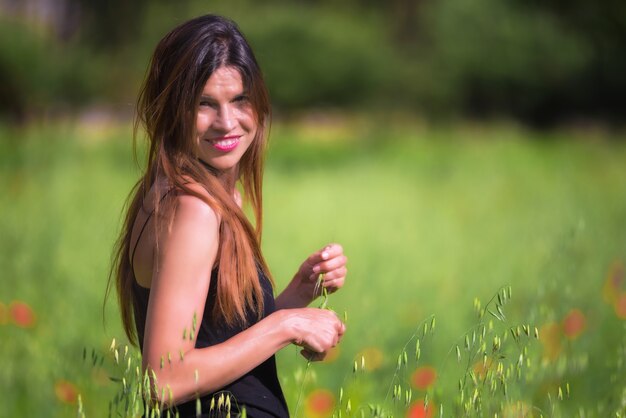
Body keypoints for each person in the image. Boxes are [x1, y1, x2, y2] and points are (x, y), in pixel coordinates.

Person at [108, 14, 348, 418]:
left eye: (239, 100)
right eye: (205, 104)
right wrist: (285, 326)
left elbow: (214, 338)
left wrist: (296, 299)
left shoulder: (192, 194)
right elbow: (163, 380)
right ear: (173, 109)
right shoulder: (192, 208)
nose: (226, 122)